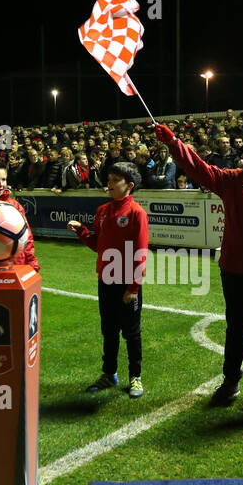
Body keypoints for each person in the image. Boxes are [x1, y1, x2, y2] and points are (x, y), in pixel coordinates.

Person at [154, 123, 243, 414]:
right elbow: (199, 169)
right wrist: (174, 143)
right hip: (233, 268)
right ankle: (231, 381)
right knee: (235, 329)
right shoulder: (233, 180)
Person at [67, 161, 149, 398]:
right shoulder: (103, 211)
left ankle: (135, 377)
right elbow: (98, 245)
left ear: (129, 186)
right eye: (109, 180)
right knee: (109, 330)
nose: (110, 184)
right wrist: (82, 231)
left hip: (127, 284)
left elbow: (141, 252)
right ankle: (109, 374)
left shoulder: (136, 213)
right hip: (106, 280)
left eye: (116, 181)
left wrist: (133, 287)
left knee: (131, 332)